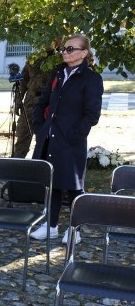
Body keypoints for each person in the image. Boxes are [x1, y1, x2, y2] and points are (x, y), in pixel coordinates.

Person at [29, 33, 103, 245]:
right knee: (52, 183)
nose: (65, 52)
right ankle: (51, 226)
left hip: (71, 141)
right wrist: (39, 129)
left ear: (84, 53)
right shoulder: (58, 73)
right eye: (64, 49)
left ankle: (74, 229)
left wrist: (75, 135)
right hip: (49, 137)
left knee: (73, 185)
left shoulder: (91, 79)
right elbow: (42, 103)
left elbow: (92, 115)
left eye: (70, 49)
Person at [13, 49, 55, 158]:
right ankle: (16, 164)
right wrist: (18, 101)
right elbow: (22, 82)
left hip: (49, 106)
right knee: (23, 135)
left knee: (44, 139)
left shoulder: (58, 59)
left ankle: (40, 165)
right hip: (30, 105)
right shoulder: (32, 60)